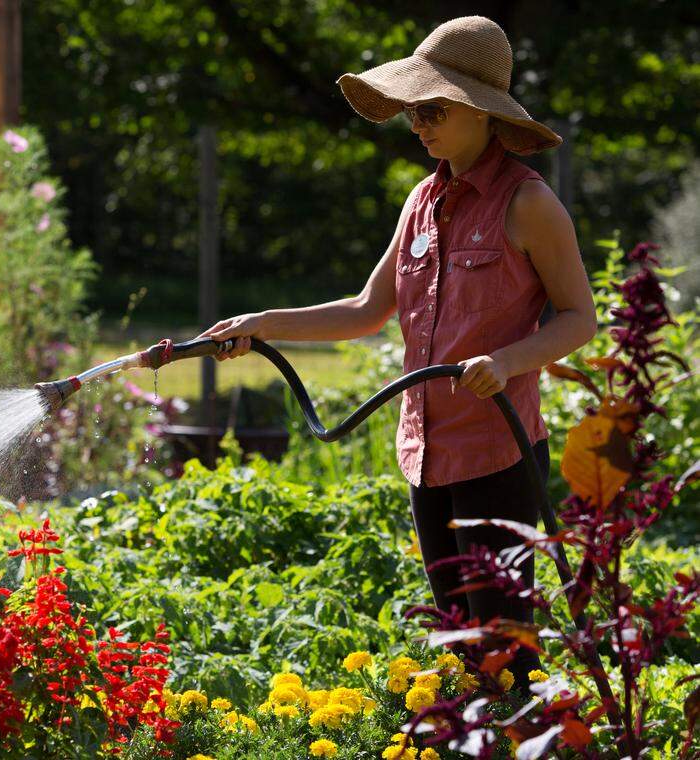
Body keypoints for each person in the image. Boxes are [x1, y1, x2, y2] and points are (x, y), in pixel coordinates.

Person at [196, 16, 597, 691]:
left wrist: (509, 362)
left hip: (498, 453)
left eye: (433, 109)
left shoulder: (528, 204)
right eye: (414, 111)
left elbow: (579, 318)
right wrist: (264, 322)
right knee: (453, 644)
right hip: (428, 453)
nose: (418, 125)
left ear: (480, 111)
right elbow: (365, 310)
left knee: (505, 653)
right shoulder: (422, 200)